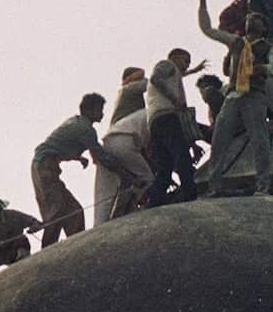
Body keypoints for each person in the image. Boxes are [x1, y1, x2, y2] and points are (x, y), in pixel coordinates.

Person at [198, 0, 273, 195]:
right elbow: (208, 29)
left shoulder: (268, 47)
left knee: (259, 139)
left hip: (254, 95)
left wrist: (261, 69)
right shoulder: (236, 42)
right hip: (233, 95)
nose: (251, 20)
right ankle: (214, 186)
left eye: (257, 19)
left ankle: (263, 184)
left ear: (264, 27)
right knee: (219, 139)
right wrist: (203, 2)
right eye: (249, 18)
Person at [32, 94, 143, 248]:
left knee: (74, 212)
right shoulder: (86, 129)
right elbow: (103, 157)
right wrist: (128, 175)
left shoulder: (76, 122)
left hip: (46, 166)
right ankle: (47, 251)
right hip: (45, 167)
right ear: (90, 110)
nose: (102, 113)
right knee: (56, 211)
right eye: (99, 109)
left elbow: (60, 144)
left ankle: (79, 247)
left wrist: (77, 157)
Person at [144, 49, 207, 208]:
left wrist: (194, 70)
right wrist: (175, 99)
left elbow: (177, 75)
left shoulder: (173, 73)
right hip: (167, 116)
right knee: (182, 155)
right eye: (186, 61)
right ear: (175, 57)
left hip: (155, 121)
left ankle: (155, 200)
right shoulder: (167, 64)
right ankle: (189, 194)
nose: (187, 65)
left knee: (165, 165)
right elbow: (156, 78)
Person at [93, 107, 153, 225]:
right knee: (147, 179)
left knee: (107, 192)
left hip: (108, 142)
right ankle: (138, 209)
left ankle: (103, 223)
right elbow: (151, 150)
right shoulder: (158, 114)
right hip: (124, 141)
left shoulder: (142, 114)